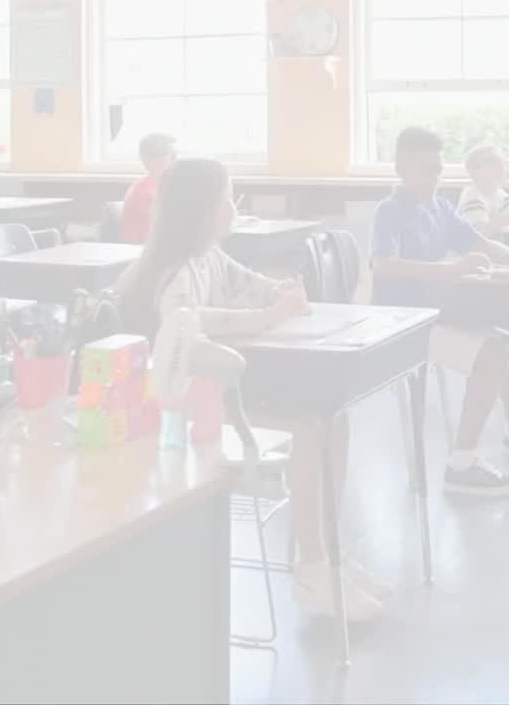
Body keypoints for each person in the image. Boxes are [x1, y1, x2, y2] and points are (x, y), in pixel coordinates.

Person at [120, 157, 390, 622]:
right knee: (307, 430)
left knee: (335, 417)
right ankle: (311, 567)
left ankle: (328, 552)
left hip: (217, 392)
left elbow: (253, 285)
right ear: (202, 209)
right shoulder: (175, 271)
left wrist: (282, 292)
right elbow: (189, 321)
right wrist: (268, 316)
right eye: (228, 198)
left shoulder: (209, 255)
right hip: (185, 406)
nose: (235, 206)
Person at [372, 126, 509, 496]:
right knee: (494, 354)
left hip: (436, 312)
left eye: (438, 170)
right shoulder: (389, 211)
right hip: (402, 323)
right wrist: (452, 270)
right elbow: (384, 265)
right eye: (426, 170)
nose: (435, 178)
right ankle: (461, 465)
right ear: (401, 169)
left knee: (504, 342)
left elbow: (480, 243)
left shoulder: (440, 208)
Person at [121, 133, 176, 244]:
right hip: (146, 249)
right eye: (169, 155)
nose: (174, 160)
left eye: (174, 155)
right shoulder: (142, 192)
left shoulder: (168, 185)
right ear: (147, 160)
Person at [458, 144, 509, 237]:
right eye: (495, 165)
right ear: (475, 172)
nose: (503, 169)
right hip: (475, 244)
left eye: (502, 164)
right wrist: (503, 220)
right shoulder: (472, 197)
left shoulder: (500, 194)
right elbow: (479, 235)